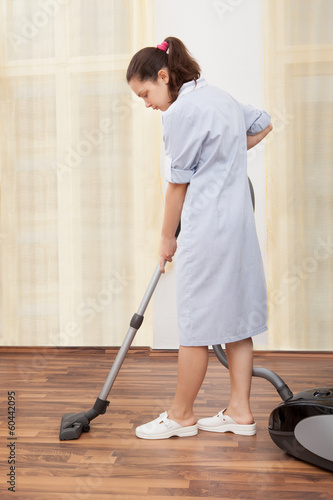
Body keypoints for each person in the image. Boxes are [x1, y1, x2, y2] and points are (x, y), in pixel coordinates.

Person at [126, 37, 273, 440]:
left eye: (146, 94)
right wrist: (227, 151)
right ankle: (240, 411)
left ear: (163, 75)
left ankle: (181, 415)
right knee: (236, 319)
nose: (147, 104)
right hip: (240, 226)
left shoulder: (179, 113)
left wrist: (165, 238)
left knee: (194, 324)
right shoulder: (220, 98)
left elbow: (177, 186)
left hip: (208, 228)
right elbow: (263, 122)